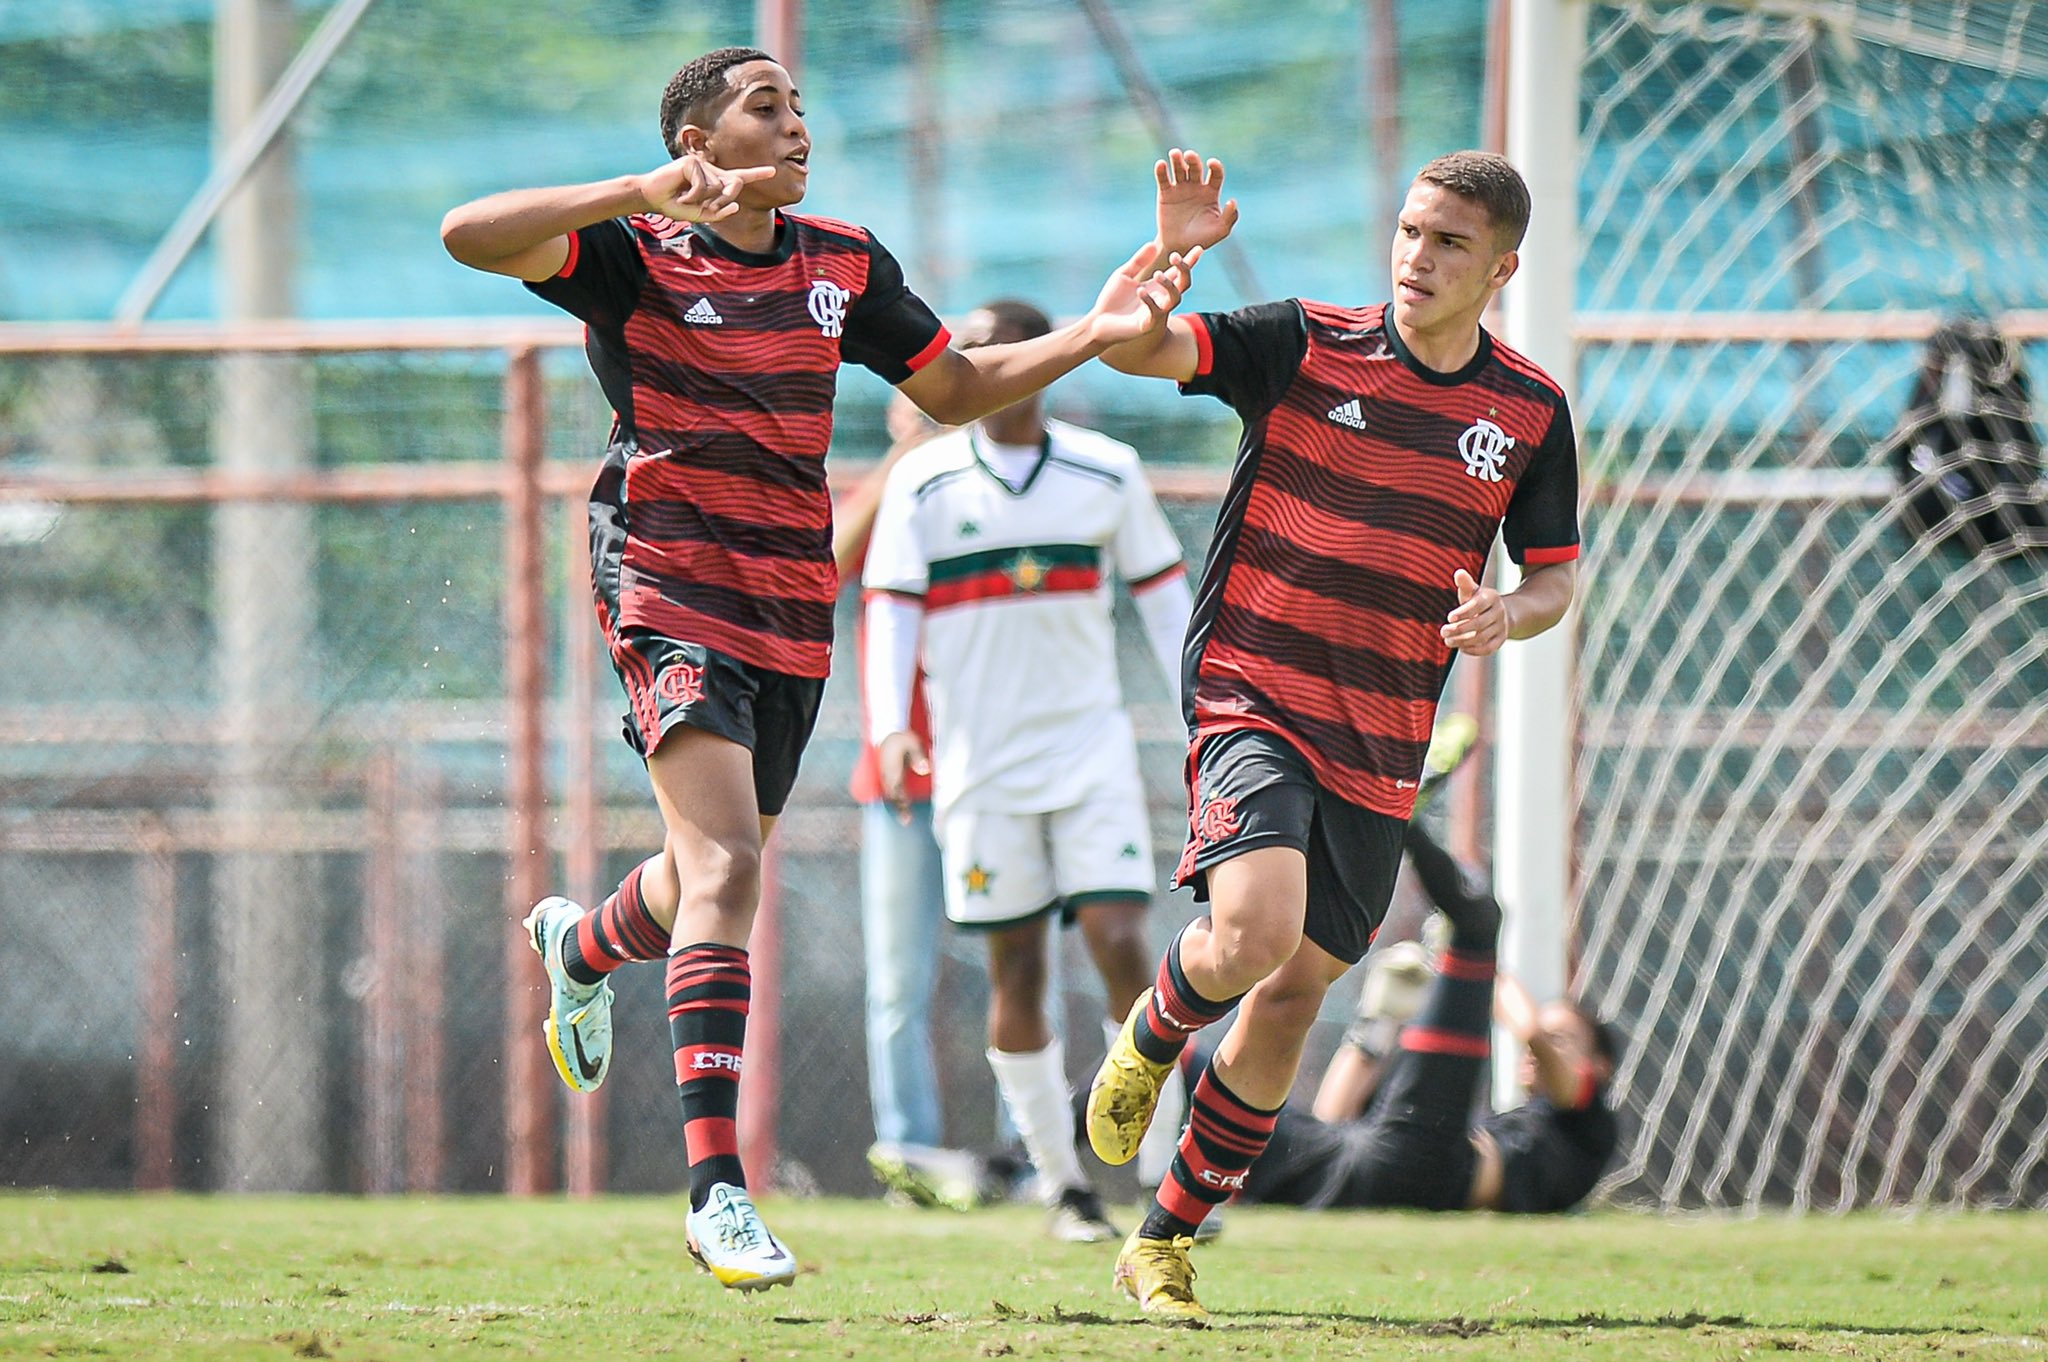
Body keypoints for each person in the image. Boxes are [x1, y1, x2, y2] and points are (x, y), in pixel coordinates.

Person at [439, 46, 1198, 1292]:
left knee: (699, 880)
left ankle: (584, 950)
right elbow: (471, 236)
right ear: (698, 135)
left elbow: (951, 384)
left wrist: (1099, 333)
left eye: (799, 107)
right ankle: (715, 1193)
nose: (798, 125)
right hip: (666, 579)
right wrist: (637, 189)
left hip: (789, 598)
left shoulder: (841, 260)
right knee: (730, 868)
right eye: (766, 107)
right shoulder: (633, 250)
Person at [1085, 148, 1583, 1324]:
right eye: (1410, 231)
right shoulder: (1302, 341)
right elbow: (1129, 344)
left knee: (1299, 989)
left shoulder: (1525, 411)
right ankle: (1155, 1027)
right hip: (1253, 690)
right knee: (1251, 930)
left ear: (1499, 267)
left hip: (1385, 729)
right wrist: (1167, 256)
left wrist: (1504, 614)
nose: (1417, 256)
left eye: (1449, 242)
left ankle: (1164, 1239)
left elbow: (1555, 578)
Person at [863, 298, 1196, 1242]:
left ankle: (1167, 1175)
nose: (956, 367)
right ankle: (1066, 1189)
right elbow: (889, 614)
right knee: (1016, 967)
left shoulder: (1107, 472)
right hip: (979, 772)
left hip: (1090, 755)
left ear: (1032, 363)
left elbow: (1168, 603)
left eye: (975, 350)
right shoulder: (921, 484)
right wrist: (890, 729)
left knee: (1123, 942)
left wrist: (1201, 719)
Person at [1240, 818, 1621, 1215]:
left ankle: (1400, 815)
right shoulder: (1507, 1122)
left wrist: (1483, 974)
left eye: (1561, 1038)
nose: (1537, 1047)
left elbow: (1534, 1037)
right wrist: (1378, 1024)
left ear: (1600, 1067)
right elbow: (1330, 1121)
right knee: (1224, 1117)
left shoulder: (1592, 1131)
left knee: (1477, 926)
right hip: (1366, 1172)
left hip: (1423, 1166)